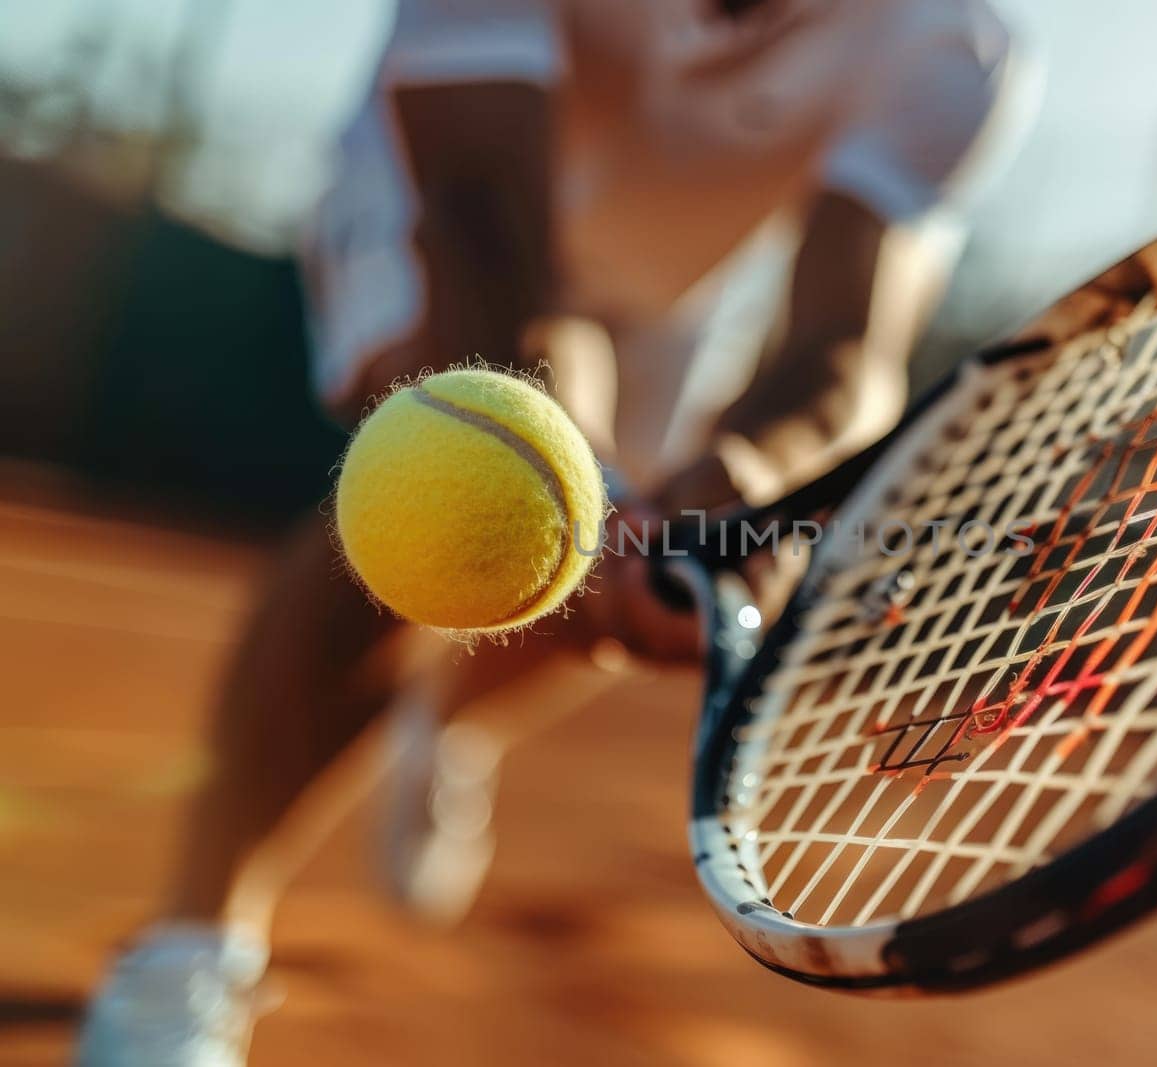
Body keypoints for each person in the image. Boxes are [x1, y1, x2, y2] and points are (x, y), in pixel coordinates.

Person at [76, 0, 1046, 1063]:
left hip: (668, 306)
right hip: (429, 208)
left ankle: (448, 716)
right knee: (448, 495)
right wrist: (583, 477)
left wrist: (733, 486)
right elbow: (481, 215)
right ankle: (190, 940)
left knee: (623, 585)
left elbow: (846, 350)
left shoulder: (953, 45)